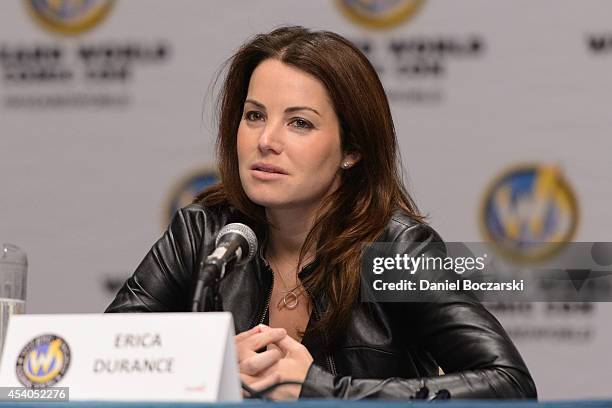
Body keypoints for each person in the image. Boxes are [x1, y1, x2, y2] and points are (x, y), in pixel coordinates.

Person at [106, 26, 537, 400]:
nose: (266, 140)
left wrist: (318, 390)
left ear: (352, 150)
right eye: (255, 116)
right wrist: (206, 368)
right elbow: (101, 360)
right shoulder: (202, 235)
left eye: (300, 123)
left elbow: (509, 384)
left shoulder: (398, 249)